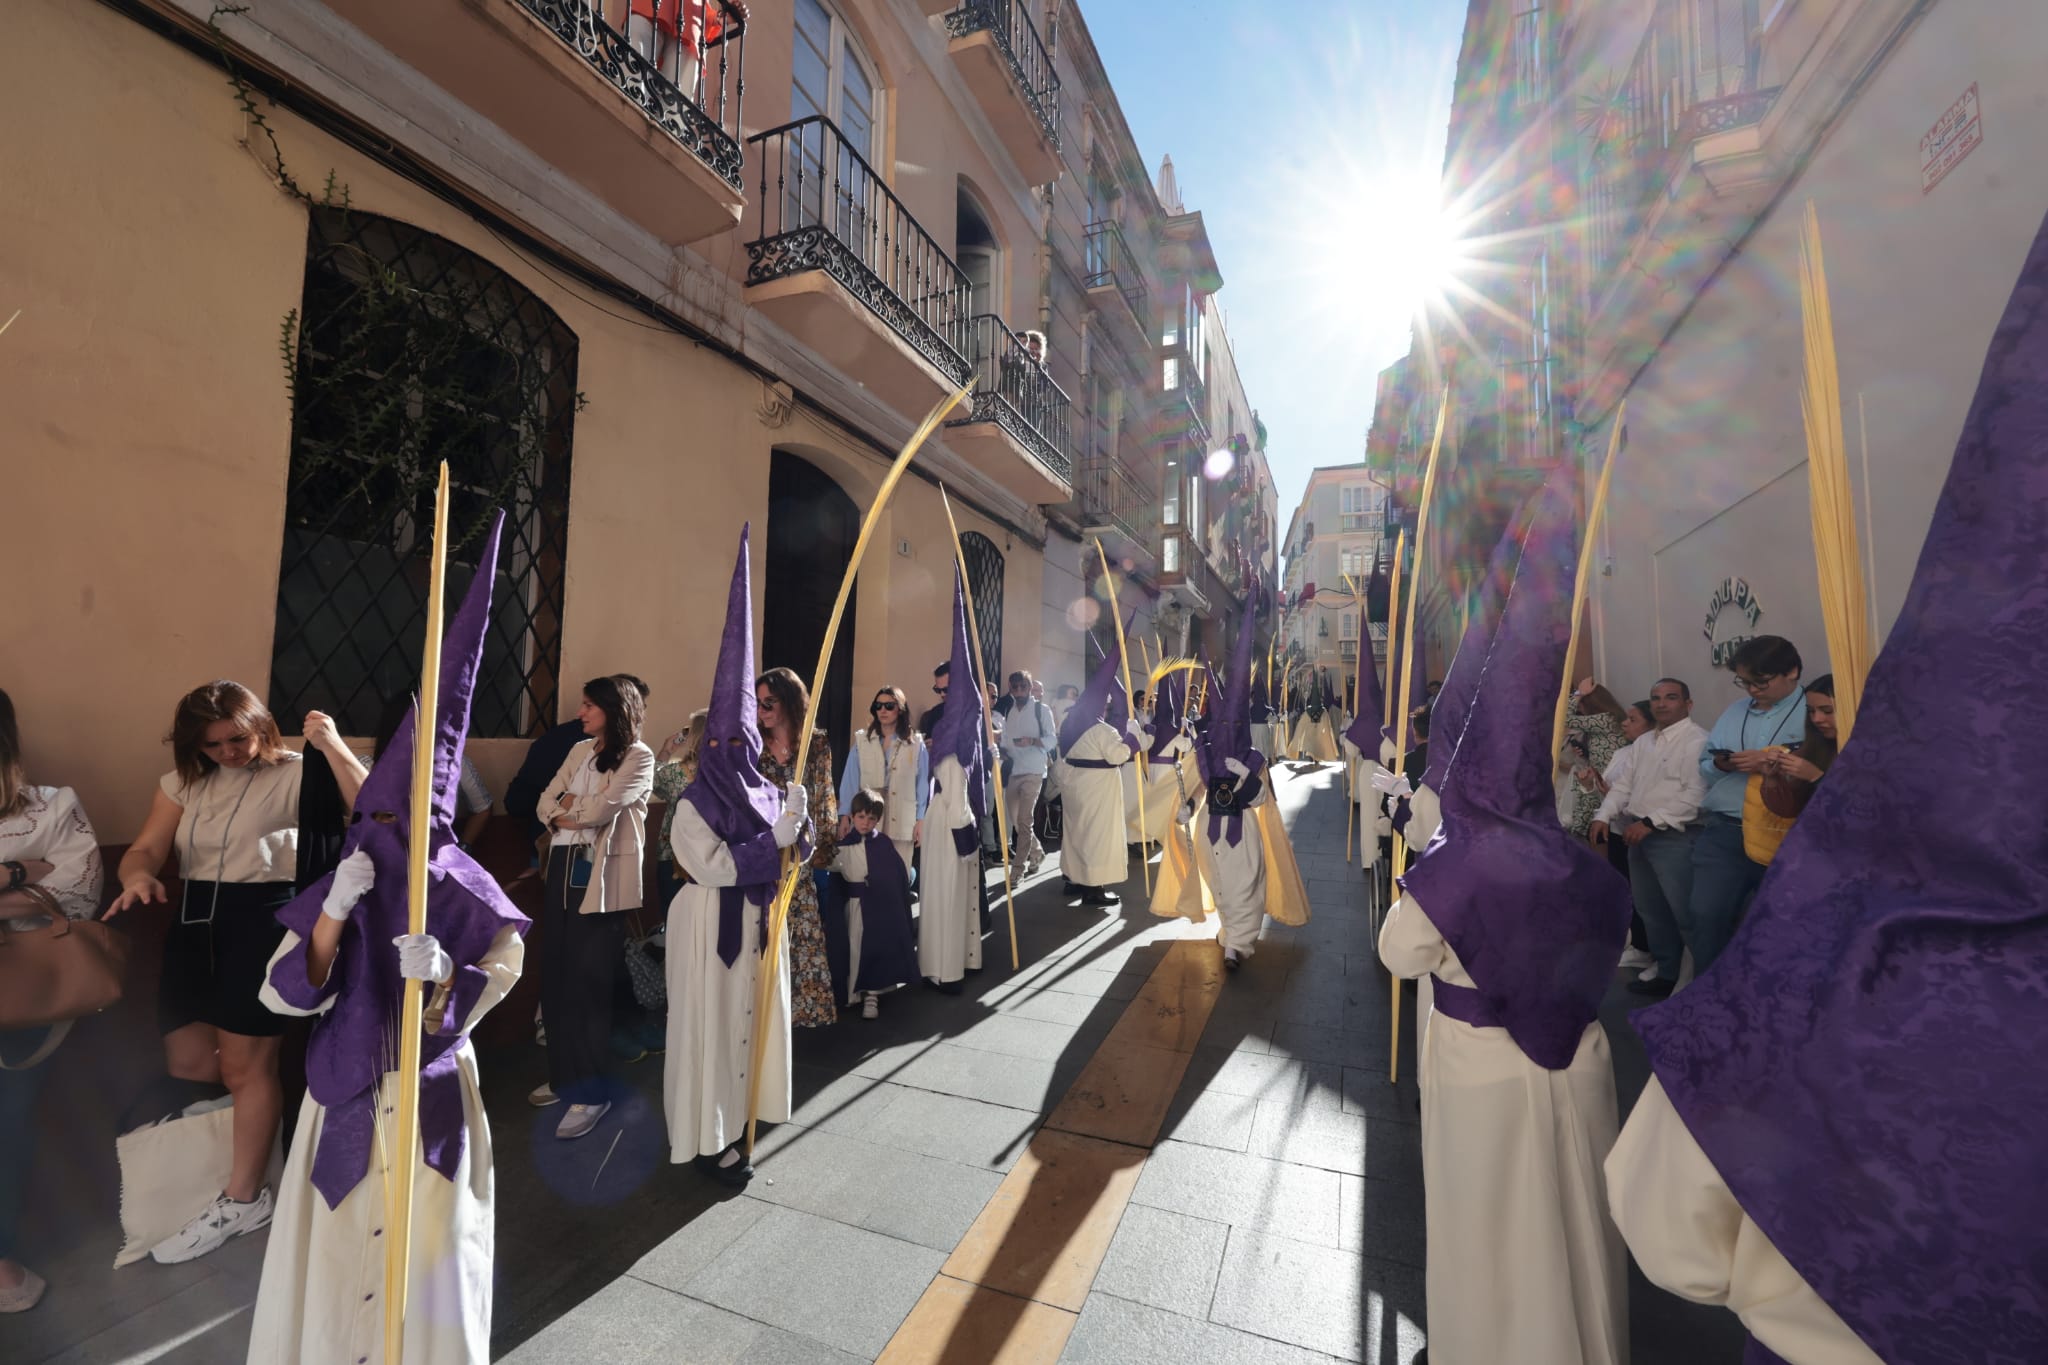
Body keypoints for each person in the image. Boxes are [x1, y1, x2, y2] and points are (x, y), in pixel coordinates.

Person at [1607, 213, 2048, 1365]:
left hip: (1770, 858)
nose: (1683, 705)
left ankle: (1698, 1008)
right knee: (1699, 926)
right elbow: (1704, 764)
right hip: (1717, 836)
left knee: (1722, 939)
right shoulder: (1728, 726)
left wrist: (1795, 763)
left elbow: (1671, 1234)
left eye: (1735, 681)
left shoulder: (1800, 726)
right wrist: (1734, 762)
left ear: (1778, 673)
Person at [249, 512, 526, 1365]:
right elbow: (280, 990)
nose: (374, 824)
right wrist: (332, 913)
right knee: (336, 1260)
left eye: (388, 814)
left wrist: (450, 976)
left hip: (432, 1087)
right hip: (347, 1085)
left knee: (431, 1257)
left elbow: (505, 960)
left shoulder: (455, 880)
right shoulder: (359, 866)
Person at [1378, 476, 1631, 1365]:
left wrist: (1421, 855)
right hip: (1581, 1068)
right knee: (1571, 1221)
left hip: (1484, 1073)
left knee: (1497, 1227)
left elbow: (1398, 949)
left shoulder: (1464, 859)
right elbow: (1611, 942)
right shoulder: (1577, 861)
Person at [106, 681, 368, 1264]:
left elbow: (377, 808)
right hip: (194, 922)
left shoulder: (303, 771)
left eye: (238, 737)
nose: (228, 751)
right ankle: (258, 1149)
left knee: (249, 1066)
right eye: (213, 743)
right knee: (193, 1061)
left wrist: (331, 744)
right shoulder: (182, 783)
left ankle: (243, 1195)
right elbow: (146, 848)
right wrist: (135, 877)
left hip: (265, 923)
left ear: (261, 726)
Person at [665, 526, 804, 1188]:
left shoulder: (767, 790)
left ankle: (743, 1123)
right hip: (707, 925)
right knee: (709, 1028)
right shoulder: (691, 804)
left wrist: (797, 829)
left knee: (749, 1022)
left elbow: (788, 858)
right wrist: (769, 842)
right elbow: (713, 866)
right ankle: (704, 1132)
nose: (735, 758)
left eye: (743, 742)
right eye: (723, 745)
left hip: (755, 924)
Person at [0, 688, 104, 1313]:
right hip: (23, 974)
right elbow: (43, 882)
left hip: (22, 993)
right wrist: (20, 873)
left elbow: (78, 892)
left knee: (6, 1122)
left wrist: (23, 885)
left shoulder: (50, 805)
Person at [528, 674, 653, 1136]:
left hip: (599, 879)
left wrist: (570, 808)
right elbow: (545, 800)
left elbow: (604, 811)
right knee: (557, 978)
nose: (580, 713)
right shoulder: (580, 750)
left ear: (612, 709)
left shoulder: (640, 757)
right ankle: (565, 1078)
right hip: (561, 869)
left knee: (588, 987)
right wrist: (570, 808)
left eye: (588, 706)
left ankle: (592, 1093)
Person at [1157, 599, 1311, 969]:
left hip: (1243, 833)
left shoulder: (1254, 758)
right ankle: (1229, 934)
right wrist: (1188, 808)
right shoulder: (1206, 751)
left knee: (1246, 885)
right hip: (1211, 832)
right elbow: (1197, 789)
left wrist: (1244, 777)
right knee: (1222, 885)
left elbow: (1261, 800)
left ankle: (1237, 945)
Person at [1692, 635, 1806, 973]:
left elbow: (1830, 764)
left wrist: (1777, 760)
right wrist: (1723, 764)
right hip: (1727, 829)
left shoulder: (1815, 710)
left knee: (1782, 924)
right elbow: (1705, 764)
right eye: (1745, 682)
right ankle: (1710, 1003)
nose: (1752, 690)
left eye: (1761, 681)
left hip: (1785, 832)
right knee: (1705, 915)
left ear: (1793, 671)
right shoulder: (1734, 712)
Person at [1591, 678, 1707, 998]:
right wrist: (1603, 815)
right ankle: (1668, 973)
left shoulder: (1697, 741)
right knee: (1650, 910)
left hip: (1674, 838)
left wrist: (1650, 823)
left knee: (1683, 913)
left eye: (1671, 698)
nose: (1661, 704)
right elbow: (1625, 786)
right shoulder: (1644, 743)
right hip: (1636, 836)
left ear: (1688, 704)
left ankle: (1700, 983)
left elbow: (1696, 795)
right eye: (1655, 698)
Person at [752, 666, 838, 1025]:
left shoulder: (814, 743)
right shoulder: (753, 745)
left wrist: (821, 848)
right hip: (762, 853)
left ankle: (793, 1013)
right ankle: (760, 1011)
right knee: (763, 932)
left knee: (800, 933)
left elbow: (824, 794)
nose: (763, 710)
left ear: (788, 701)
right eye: (757, 703)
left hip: (799, 858)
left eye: (769, 702)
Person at [919, 570, 989, 991]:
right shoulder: (948, 726)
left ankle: (948, 967)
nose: (942, 696)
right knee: (945, 894)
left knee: (949, 896)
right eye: (938, 690)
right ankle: (949, 963)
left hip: (952, 822)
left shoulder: (959, 728)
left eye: (947, 690)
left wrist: (965, 834)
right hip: (946, 821)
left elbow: (958, 781)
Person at [1055, 642, 1142, 908]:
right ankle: (1093, 890)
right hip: (1097, 790)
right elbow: (1118, 756)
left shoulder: (1069, 722)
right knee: (1097, 837)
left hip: (1074, 786)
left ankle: (1073, 879)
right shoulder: (1102, 730)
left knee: (1076, 834)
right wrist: (1133, 737)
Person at [825, 790, 918, 1019]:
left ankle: (872, 996)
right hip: (855, 907)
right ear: (852, 817)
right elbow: (830, 865)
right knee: (855, 949)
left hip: (879, 909)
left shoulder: (883, 844)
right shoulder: (844, 846)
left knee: (875, 948)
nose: (866, 823)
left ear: (878, 820)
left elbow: (897, 875)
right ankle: (853, 992)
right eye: (861, 817)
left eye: (871, 818)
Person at [374, 694, 493, 849]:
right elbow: (366, 819)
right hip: (382, 861)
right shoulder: (367, 767)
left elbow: (483, 808)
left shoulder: (455, 764)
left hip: (436, 860)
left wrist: (464, 847)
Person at [837, 686, 926, 874]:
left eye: (889, 705)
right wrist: (845, 815)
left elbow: (922, 784)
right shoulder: (862, 740)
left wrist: (921, 820)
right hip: (868, 818)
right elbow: (850, 780)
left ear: (900, 709)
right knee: (867, 873)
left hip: (902, 817)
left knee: (898, 873)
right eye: (878, 706)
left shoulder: (915, 743)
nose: (883, 710)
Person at [652, 706, 711, 913]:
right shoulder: (729, 774)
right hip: (714, 857)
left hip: (674, 856)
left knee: (675, 919)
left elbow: (651, 779)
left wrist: (667, 749)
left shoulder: (676, 774)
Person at [997, 671, 1055, 876]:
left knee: (1024, 819)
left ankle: (1018, 868)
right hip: (1013, 771)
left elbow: (1052, 740)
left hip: (1034, 771)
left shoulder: (1042, 710)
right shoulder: (1010, 712)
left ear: (1030, 688)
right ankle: (1037, 851)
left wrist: (1032, 741)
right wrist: (1000, 749)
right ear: (1010, 689)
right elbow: (1005, 740)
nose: (1019, 691)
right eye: (1015, 687)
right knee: (1016, 819)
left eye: (1023, 687)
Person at [1559, 681, 1628, 840]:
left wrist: (1578, 695)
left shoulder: (1605, 719)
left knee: (1599, 836)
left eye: (1581, 705)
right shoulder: (1606, 720)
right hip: (1604, 782)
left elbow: (1564, 718)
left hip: (1610, 784)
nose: (1579, 710)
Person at [1763, 673, 1836, 817]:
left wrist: (1817, 777)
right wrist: (1772, 778)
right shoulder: (1812, 749)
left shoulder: (1876, 754)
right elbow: (1788, 811)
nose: (1816, 719)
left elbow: (1859, 813)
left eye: (1827, 711)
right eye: (1811, 711)